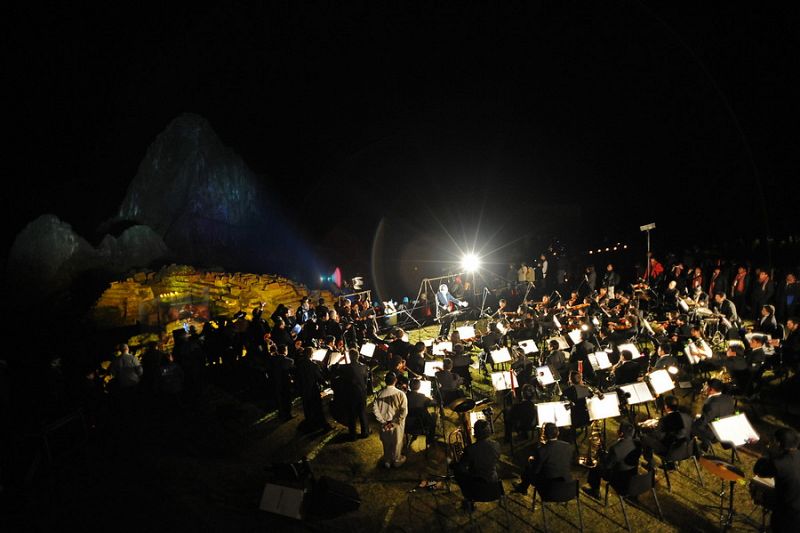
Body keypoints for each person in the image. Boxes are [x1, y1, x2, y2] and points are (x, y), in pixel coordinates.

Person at [753, 428, 800, 532]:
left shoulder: (779, 464)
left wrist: (767, 452)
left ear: (778, 443)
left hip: (788, 515)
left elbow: (759, 471)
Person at [583, 421, 639, 499]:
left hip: (620, 481)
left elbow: (607, 466)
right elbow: (621, 457)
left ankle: (594, 491)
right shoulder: (637, 444)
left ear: (621, 433)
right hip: (632, 479)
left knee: (596, 467)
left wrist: (601, 455)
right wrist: (608, 455)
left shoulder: (616, 448)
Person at [513, 422, 572, 494]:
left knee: (529, 467)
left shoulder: (541, 450)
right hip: (566, 486)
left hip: (548, 489)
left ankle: (523, 487)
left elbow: (535, 471)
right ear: (558, 433)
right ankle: (523, 487)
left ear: (545, 435)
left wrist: (531, 461)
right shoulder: (568, 446)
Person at [454, 419, 501, 510]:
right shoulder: (497, 445)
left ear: (475, 433)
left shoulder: (470, 449)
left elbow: (461, 468)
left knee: (458, 472)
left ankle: (468, 498)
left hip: (477, 491)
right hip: (495, 488)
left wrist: (455, 463)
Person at [640, 395, 692, 469]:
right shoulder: (687, 417)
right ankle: (672, 464)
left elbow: (658, 437)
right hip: (687, 450)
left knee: (645, 438)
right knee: (674, 438)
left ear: (666, 407)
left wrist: (653, 429)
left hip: (671, 453)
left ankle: (650, 465)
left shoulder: (664, 420)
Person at [373, 372, 408, 468]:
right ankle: (396, 460)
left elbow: (375, 410)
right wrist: (393, 423)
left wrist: (383, 421)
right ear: (395, 381)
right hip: (397, 424)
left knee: (386, 442)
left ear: (385, 381)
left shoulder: (379, 394)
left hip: (384, 424)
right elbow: (404, 411)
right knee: (397, 442)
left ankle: (387, 460)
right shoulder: (401, 394)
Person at [691, 378, 735, 452]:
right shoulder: (729, 398)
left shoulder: (712, 404)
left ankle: (698, 448)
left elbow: (703, 422)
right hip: (725, 428)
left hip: (714, 433)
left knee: (689, 425)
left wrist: (693, 421)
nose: (704, 388)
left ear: (711, 389)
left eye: (706, 386)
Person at [295, 347, 332, 433]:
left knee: (307, 408)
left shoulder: (299, 363)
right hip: (313, 390)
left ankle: (310, 424)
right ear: (311, 354)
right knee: (318, 408)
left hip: (303, 389)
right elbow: (319, 378)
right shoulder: (313, 365)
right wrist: (327, 384)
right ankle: (324, 426)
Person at [339, 348, 370, 440]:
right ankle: (365, 432)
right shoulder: (364, 367)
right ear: (358, 356)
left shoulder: (345, 368)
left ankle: (353, 435)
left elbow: (333, 369)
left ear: (349, 357)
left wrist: (339, 361)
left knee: (352, 414)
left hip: (351, 394)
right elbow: (366, 380)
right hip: (362, 393)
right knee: (362, 412)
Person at [406, 378, 437, 442]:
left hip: (407, 422)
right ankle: (429, 441)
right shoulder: (422, 396)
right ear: (419, 387)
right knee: (433, 420)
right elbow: (434, 402)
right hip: (420, 423)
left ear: (409, 386)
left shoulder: (405, 396)